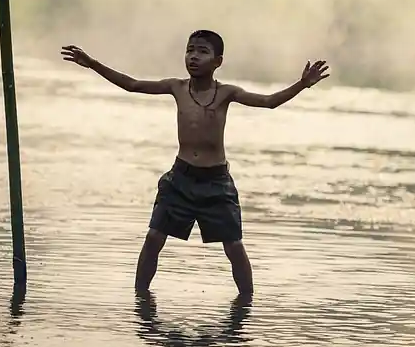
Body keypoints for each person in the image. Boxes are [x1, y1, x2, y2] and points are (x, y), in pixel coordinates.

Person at [61, 31, 328, 298]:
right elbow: (132, 85)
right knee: (154, 237)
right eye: (190, 50)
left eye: (202, 51)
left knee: (234, 246)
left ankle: (247, 303)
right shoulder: (177, 87)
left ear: (217, 61)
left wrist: (302, 84)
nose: (194, 57)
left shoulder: (226, 93)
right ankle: (139, 300)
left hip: (216, 183)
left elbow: (268, 102)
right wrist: (93, 63)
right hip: (181, 178)